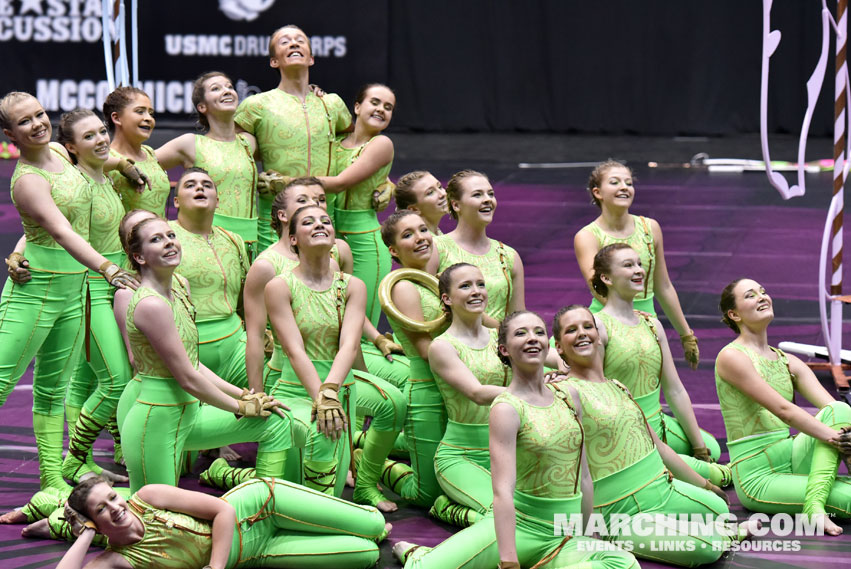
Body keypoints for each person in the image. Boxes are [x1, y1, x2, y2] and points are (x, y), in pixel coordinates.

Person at [393, 311, 639, 569]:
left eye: (539, 332)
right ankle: (418, 556)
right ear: (504, 349)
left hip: (565, 534)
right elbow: (502, 492)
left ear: (549, 345)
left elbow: (585, 477)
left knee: (624, 563)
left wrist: (589, 532)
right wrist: (508, 562)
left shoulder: (570, 397)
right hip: (522, 528)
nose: (532, 339)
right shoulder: (506, 408)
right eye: (521, 334)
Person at [0, 92, 135, 491]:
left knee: (52, 390)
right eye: (24, 122)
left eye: (39, 114)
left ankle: (52, 480)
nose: (37, 124)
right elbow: (59, 230)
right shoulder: (27, 180)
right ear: (10, 134)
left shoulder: (61, 150)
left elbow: (101, 157)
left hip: (73, 290)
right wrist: (108, 268)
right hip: (34, 292)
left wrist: (125, 165)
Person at [554, 304, 753, 566]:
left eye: (587, 326)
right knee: (707, 548)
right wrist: (589, 530)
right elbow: (578, 472)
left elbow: (657, 445)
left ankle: (670, 525)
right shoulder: (564, 392)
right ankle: (628, 535)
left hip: (658, 489)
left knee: (719, 507)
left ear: (598, 334)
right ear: (558, 346)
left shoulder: (617, 386)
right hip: (619, 511)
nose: (582, 333)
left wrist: (704, 484)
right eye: (571, 330)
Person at [120, 216, 292, 492]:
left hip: (188, 413)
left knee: (275, 420)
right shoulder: (151, 304)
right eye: (156, 239)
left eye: (170, 235)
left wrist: (245, 395)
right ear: (139, 257)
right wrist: (239, 408)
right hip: (156, 419)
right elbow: (187, 377)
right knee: (152, 519)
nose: (168, 243)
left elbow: (193, 362)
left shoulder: (179, 285)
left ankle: (263, 507)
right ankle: (66, 516)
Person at [716, 278, 851, 535]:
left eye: (764, 292)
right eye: (750, 295)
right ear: (734, 314)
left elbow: (836, 412)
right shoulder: (731, 357)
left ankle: (815, 503)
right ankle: (815, 505)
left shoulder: (788, 361)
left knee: (840, 409)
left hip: (793, 456)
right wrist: (839, 439)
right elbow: (784, 411)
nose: (762, 297)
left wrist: (847, 435)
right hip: (760, 477)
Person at [590, 243, 725, 481]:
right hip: (626, 431)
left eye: (640, 264)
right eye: (628, 265)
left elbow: (674, 389)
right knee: (716, 476)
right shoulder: (597, 326)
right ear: (606, 278)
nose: (639, 270)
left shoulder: (652, 324)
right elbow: (596, 396)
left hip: (658, 423)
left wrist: (698, 447)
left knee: (712, 448)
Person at [54, 476, 389, 569]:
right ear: (95, 523)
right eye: (101, 510)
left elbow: (222, 511)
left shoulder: (149, 496)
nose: (114, 507)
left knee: (374, 527)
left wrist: (215, 568)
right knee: (366, 556)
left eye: (112, 497)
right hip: (255, 553)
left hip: (260, 505)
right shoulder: (117, 559)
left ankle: (367, 521)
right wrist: (84, 533)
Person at [53, 109, 133, 485]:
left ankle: (82, 462)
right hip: (89, 290)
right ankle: (75, 460)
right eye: (89, 137)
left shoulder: (104, 178)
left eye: (102, 131)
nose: (101, 139)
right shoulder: (78, 186)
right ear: (71, 147)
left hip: (111, 287)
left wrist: (123, 165)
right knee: (116, 381)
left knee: (85, 379)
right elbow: (70, 241)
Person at [265, 205, 365, 497]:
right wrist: (320, 397)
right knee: (292, 489)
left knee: (329, 490)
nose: (320, 225)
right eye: (308, 222)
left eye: (326, 221)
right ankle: (225, 474)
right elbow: (294, 350)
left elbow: (350, 344)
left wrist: (331, 391)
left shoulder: (352, 286)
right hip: (297, 390)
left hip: (341, 393)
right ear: (293, 239)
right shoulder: (279, 286)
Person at [234, 24, 352, 252]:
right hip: (275, 224)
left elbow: (354, 151)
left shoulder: (332, 103)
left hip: (325, 220)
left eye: (300, 40)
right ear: (273, 61)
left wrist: (382, 182)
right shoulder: (256, 106)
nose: (294, 43)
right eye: (284, 41)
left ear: (311, 58)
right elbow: (233, 154)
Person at [573, 159, 699, 369]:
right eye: (615, 182)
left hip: (648, 319)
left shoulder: (650, 228)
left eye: (629, 183)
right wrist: (630, 322)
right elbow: (596, 288)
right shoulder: (587, 236)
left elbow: (663, 286)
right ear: (597, 192)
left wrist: (686, 334)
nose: (624, 187)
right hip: (606, 321)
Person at [377, 210, 449, 508]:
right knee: (427, 496)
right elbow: (425, 350)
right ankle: (366, 454)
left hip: (454, 389)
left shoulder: (440, 279)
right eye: (408, 235)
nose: (420, 238)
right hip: (429, 394)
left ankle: (380, 442)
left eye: (422, 230)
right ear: (393, 251)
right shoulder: (404, 287)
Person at [428, 263, 510, 515]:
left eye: (480, 284)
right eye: (465, 286)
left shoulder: (502, 337)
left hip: (508, 451)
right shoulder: (442, 346)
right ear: (447, 298)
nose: (476, 291)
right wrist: (536, 389)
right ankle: (450, 512)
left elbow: (548, 355)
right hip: (461, 457)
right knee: (502, 516)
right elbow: (477, 393)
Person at [319, 83, 396, 329]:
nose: (381, 109)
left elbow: (340, 183)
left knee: (361, 329)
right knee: (330, 323)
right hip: (331, 238)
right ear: (357, 106)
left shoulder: (382, 144)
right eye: (375, 102)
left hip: (365, 244)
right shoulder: (334, 143)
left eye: (388, 107)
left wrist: (289, 182)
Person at [156, 72, 260, 254]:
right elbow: (143, 163)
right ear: (202, 106)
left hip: (253, 242)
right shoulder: (190, 143)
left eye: (229, 87)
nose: (227, 91)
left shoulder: (248, 142)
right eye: (216, 89)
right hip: (207, 242)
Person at [432, 170, 524, 324]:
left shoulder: (508, 255)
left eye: (491, 194)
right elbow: (426, 310)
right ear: (456, 205)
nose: (488, 200)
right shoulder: (436, 248)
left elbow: (518, 319)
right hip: (450, 345)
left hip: (498, 346)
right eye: (477, 195)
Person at [103, 86, 171, 217]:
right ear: (117, 118)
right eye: (140, 112)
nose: (148, 118)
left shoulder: (150, 153)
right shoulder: (104, 157)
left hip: (160, 235)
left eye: (151, 113)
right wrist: (120, 165)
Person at [394, 170, 449, 235]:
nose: (442, 194)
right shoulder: (423, 242)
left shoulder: (438, 235)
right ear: (414, 209)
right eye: (430, 192)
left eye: (440, 187)